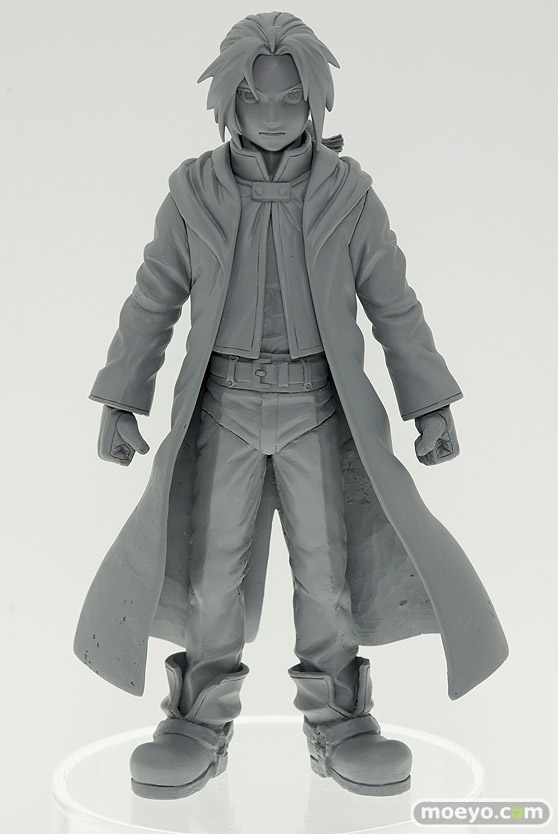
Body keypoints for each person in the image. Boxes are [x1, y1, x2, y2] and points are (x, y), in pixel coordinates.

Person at [75, 11, 508, 800]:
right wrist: (121, 396)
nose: (272, 115)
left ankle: (339, 720)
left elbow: (394, 304)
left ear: (314, 102)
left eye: (289, 100)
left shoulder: (350, 195)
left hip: (317, 408)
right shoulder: (193, 193)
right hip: (224, 408)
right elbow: (153, 300)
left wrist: (429, 403)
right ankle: (198, 720)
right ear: (227, 102)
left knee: (327, 569)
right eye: (254, 98)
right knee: (212, 574)